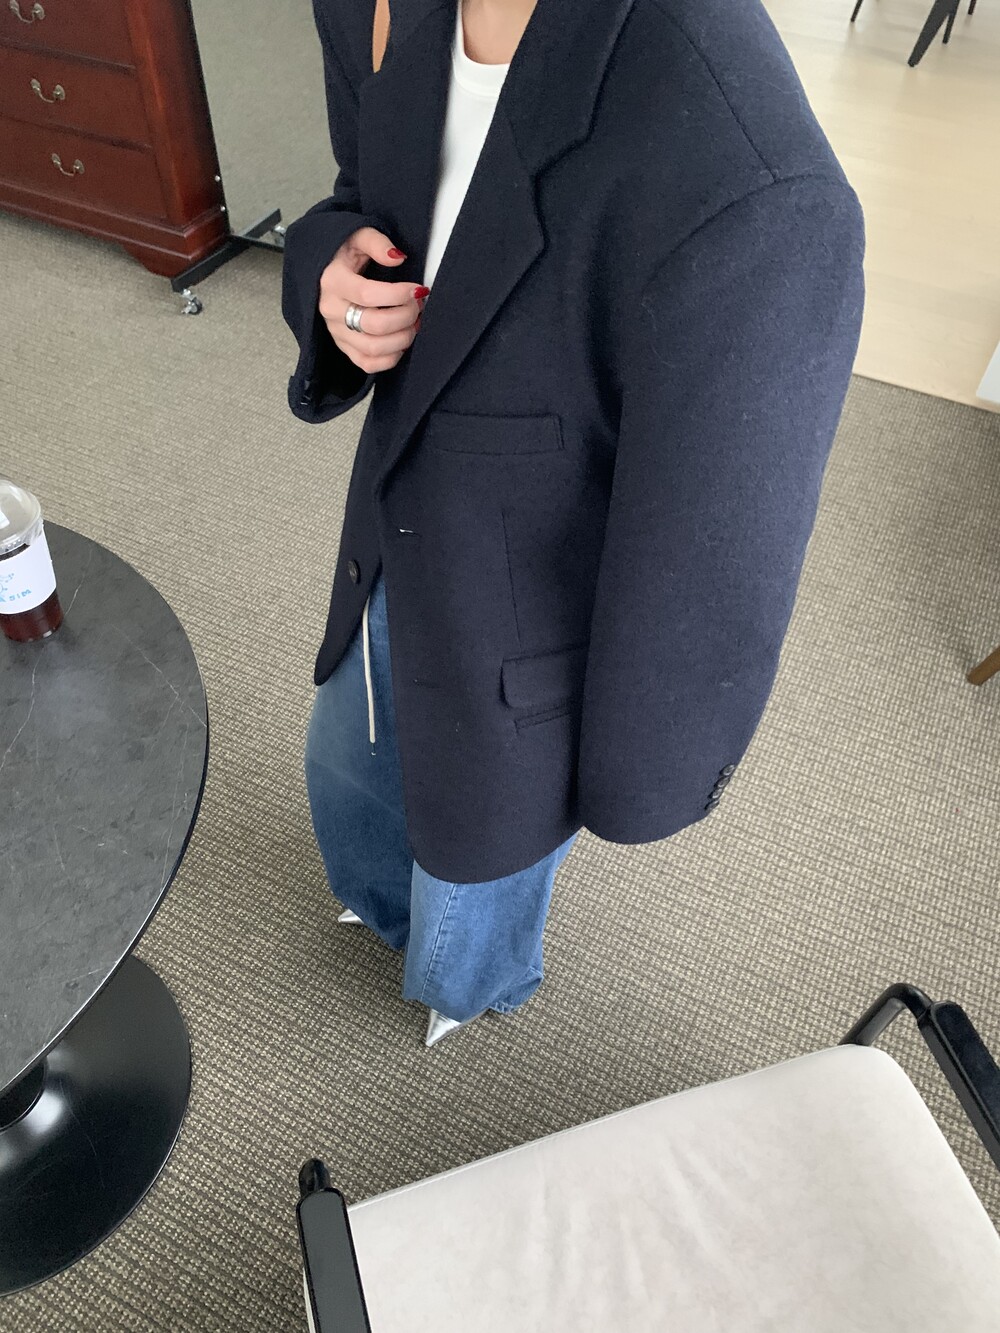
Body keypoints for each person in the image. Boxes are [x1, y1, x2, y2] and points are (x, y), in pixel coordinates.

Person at [281, 0, 866, 1046]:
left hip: (539, 596)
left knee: (475, 866)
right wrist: (330, 273)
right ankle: (381, 910)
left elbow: (715, 559)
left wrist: (632, 771)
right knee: (354, 763)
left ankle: (474, 989)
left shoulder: (746, 168)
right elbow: (360, 197)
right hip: (396, 509)